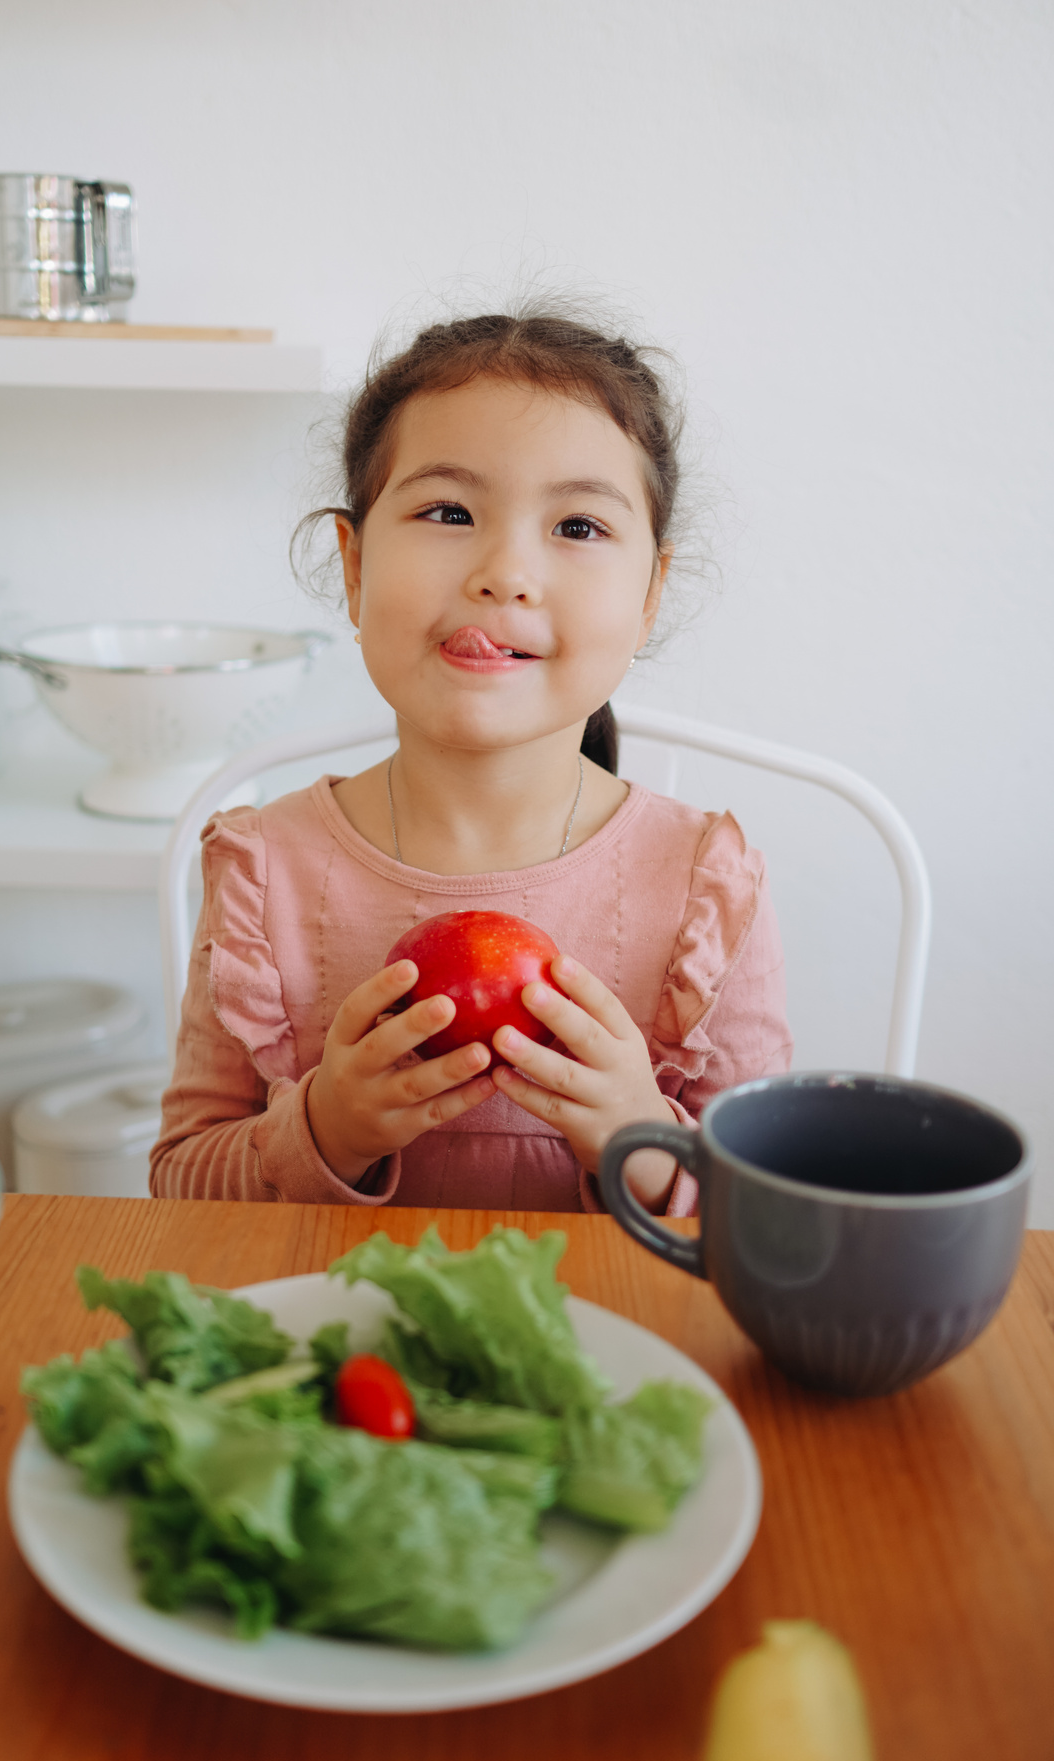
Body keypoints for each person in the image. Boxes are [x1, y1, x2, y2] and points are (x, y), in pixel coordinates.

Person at [151, 310, 792, 1215]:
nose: (506, 572)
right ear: (355, 563)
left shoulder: (703, 890)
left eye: (577, 526)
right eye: (449, 512)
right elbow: (179, 1187)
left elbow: (773, 1218)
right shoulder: (265, 871)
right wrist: (327, 1128)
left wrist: (638, 1139)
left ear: (650, 593)